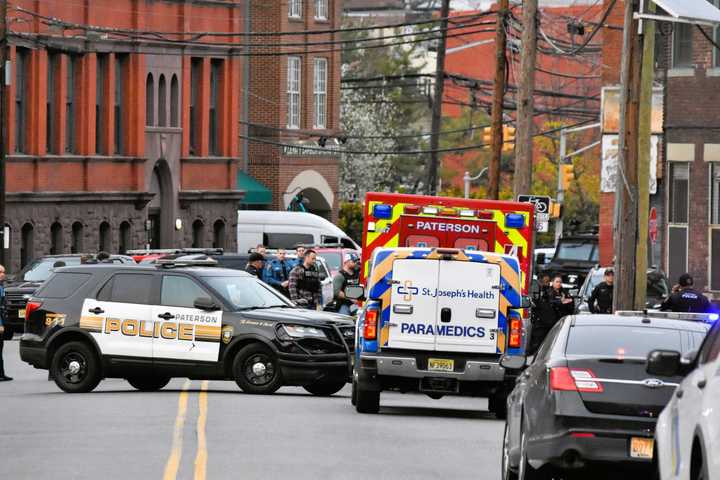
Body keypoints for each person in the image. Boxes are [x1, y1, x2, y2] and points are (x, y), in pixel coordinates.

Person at [0, 264, 12, 381]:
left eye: (3, 272)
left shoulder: (1, 287)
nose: (3, 274)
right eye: (0, 272)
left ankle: (2, 373)